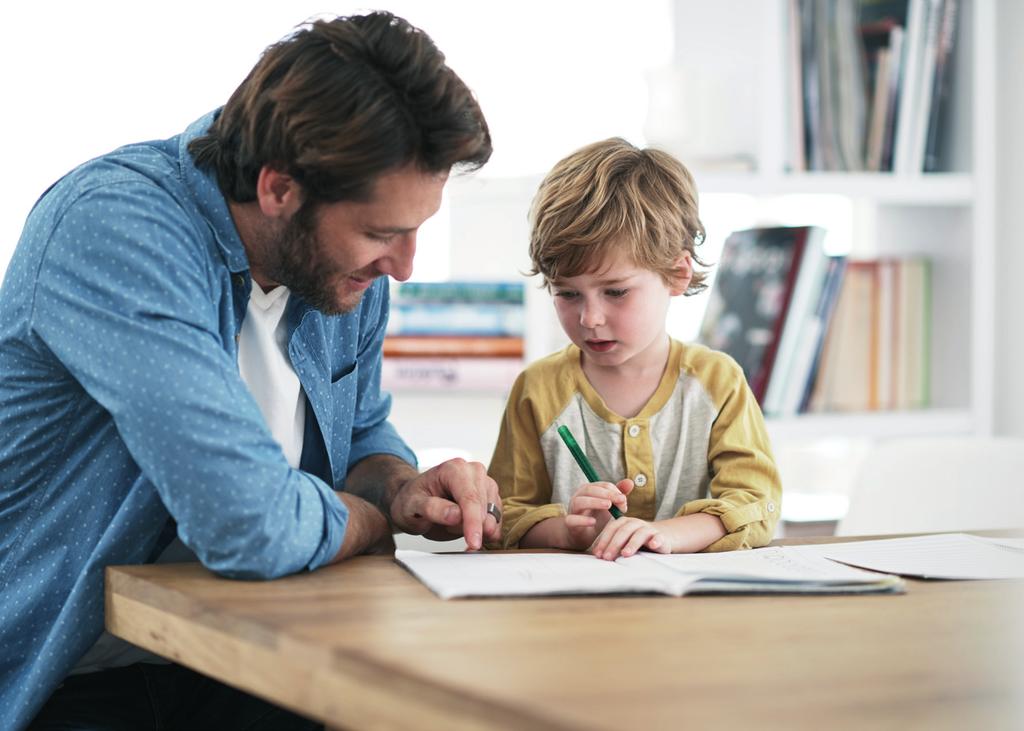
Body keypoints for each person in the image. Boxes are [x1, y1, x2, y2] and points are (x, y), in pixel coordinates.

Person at [0, 12, 498, 731]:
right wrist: (366, 517)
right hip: (63, 678)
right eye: (382, 233)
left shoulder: (341, 272)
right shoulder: (116, 228)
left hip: (245, 653)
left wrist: (400, 486)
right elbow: (249, 524)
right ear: (278, 189)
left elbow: (359, 433)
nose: (404, 267)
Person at [488, 138, 781, 560]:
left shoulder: (718, 382)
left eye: (615, 291)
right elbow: (506, 515)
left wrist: (666, 535)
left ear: (677, 275)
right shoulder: (538, 389)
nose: (590, 318)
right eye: (567, 294)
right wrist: (569, 531)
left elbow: (756, 504)